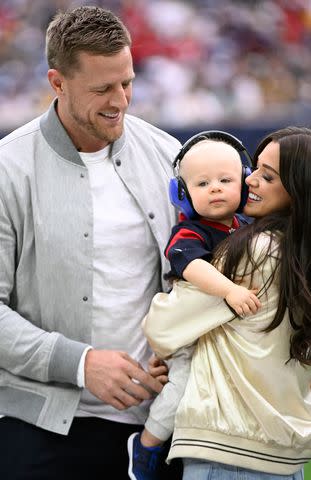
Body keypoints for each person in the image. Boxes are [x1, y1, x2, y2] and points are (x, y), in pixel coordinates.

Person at [0, 5, 183, 480]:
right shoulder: (7, 169)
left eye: (127, 83)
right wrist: (81, 364)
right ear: (57, 83)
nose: (120, 100)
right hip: (38, 427)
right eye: (102, 89)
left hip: (155, 428)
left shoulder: (169, 155)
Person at [143, 126, 311, 479]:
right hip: (283, 452)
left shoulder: (254, 251)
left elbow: (163, 326)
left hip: (231, 453)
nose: (250, 182)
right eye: (254, 172)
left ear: (296, 190)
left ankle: (144, 447)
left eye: (266, 176)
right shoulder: (299, 253)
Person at [127, 132, 261, 480]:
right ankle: (148, 443)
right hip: (189, 334)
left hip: (220, 337)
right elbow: (192, 267)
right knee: (183, 387)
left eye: (225, 180)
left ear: (245, 186)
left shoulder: (246, 227)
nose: (215, 188)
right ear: (181, 195)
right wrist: (230, 290)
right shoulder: (190, 232)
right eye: (202, 183)